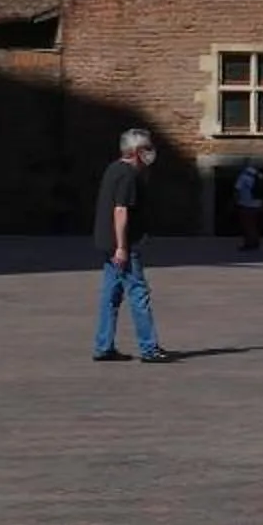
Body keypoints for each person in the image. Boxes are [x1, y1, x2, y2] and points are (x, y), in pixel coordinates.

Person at [93, 128, 174, 363]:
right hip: (124, 245)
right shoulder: (128, 175)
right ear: (137, 152)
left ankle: (103, 345)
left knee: (111, 294)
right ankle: (149, 348)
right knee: (138, 293)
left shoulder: (113, 169)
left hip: (107, 243)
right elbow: (120, 210)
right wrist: (122, 246)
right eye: (148, 148)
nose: (151, 152)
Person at [233, 162, 263, 252]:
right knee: (254, 224)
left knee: (247, 224)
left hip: (246, 203)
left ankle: (249, 243)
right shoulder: (259, 175)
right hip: (258, 203)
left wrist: (235, 201)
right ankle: (255, 242)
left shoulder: (243, 176)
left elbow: (237, 189)